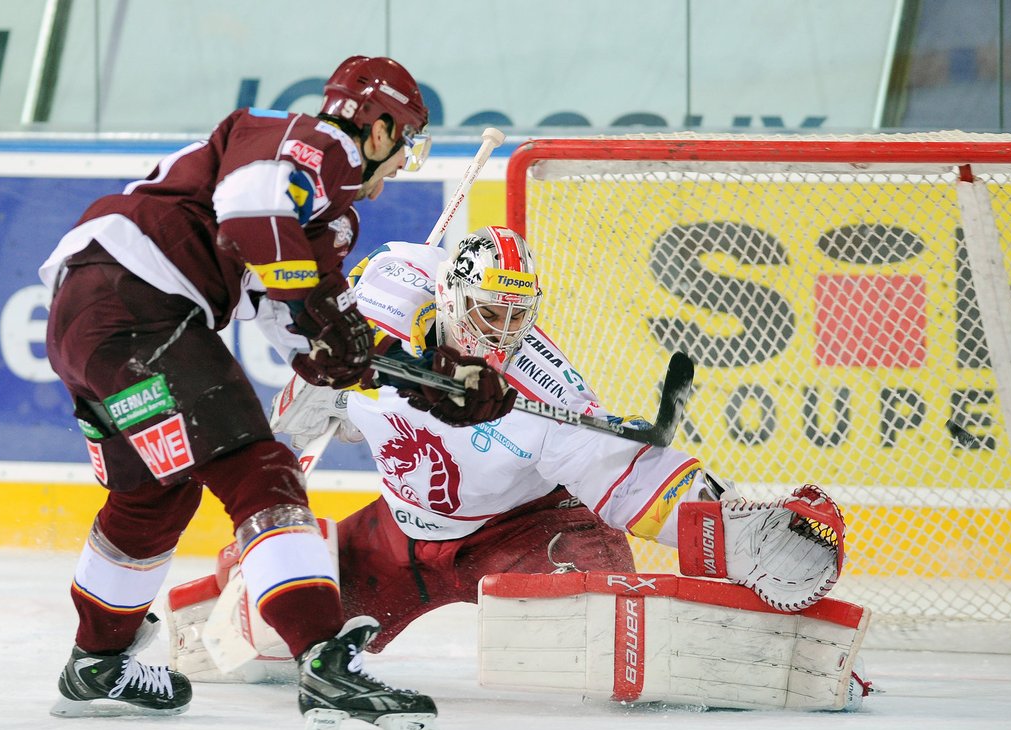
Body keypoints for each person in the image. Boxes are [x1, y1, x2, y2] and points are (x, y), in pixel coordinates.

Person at [38, 55, 498, 730]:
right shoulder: (312, 144)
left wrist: (432, 382)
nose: (402, 162)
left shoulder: (326, 219)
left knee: (152, 495)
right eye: (404, 141)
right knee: (260, 471)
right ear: (377, 128)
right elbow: (251, 214)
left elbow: (314, 342)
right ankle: (324, 661)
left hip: (91, 317)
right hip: (135, 303)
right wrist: (320, 313)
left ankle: (97, 663)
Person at [171, 226, 846, 672]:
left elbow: (633, 477)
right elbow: (322, 330)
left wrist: (729, 526)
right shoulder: (380, 307)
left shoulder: (543, 388)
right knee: (278, 635)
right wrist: (313, 413)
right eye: (490, 313)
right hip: (398, 537)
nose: (503, 333)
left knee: (607, 638)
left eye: (517, 316)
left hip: (526, 533)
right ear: (450, 295)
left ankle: (731, 630)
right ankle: (221, 596)